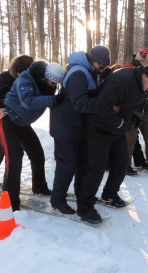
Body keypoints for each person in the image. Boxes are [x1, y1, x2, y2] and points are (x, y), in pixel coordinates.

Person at [77, 63, 148, 224]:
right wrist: (120, 123)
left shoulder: (141, 85)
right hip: (98, 127)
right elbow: (101, 106)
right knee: (97, 167)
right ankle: (85, 207)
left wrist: (132, 119)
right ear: (146, 76)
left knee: (122, 161)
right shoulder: (122, 80)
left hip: (115, 128)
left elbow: (128, 104)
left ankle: (110, 193)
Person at [49, 45, 110, 214]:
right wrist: (104, 105)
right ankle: (57, 200)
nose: (102, 69)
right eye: (102, 65)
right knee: (67, 165)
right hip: (65, 127)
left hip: (78, 127)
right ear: (94, 61)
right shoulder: (78, 73)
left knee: (82, 164)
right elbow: (80, 103)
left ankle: (80, 194)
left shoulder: (90, 71)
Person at [0, 61, 65, 211]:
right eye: (52, 82)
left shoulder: (46, 84)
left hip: (23, 123)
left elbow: (51, 100)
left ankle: (39, 187)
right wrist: (53, 100)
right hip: (9, 120)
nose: (53, 85)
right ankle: (10, 202)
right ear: (45, 76)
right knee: (14, 160)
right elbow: (28, 101)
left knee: (37, 154)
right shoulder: (26, 78)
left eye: (56, 83)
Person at [0, 55, 34, 195]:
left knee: (31, 149)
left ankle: (38, 184)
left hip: (18, 120)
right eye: (20, 73)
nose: (22, 76)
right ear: (15, 70)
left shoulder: (30, 80)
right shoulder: (5, 78)